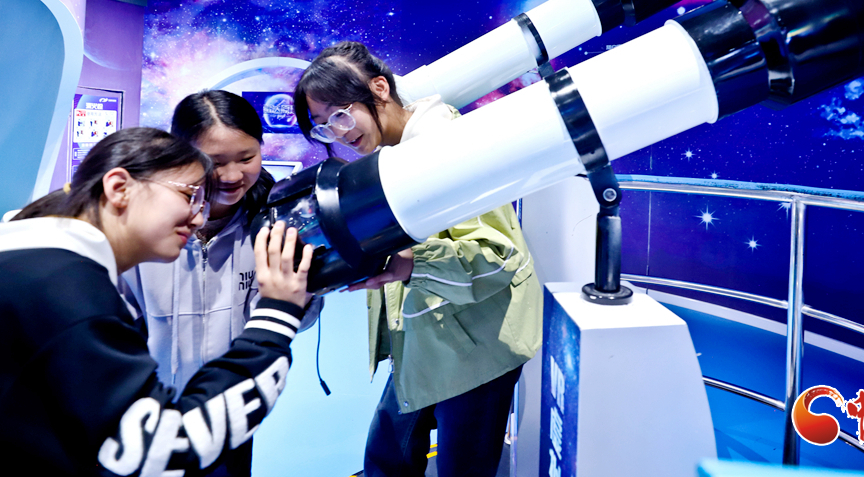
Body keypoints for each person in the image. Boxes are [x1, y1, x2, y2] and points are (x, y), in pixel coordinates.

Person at [0, 127, 312, 476]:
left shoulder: (31, 263)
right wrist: (276, 313)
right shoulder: (68, 289)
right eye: (190, 195)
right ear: (119, 188)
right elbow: (164, 449)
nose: (199, 217)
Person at [294, 41, 542, 477]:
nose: (339, 133)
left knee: (459, 469)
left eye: (341, 114)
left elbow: (497, 257)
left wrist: (411, 262)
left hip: (480, 348)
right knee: (386, 460)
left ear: (379, 88)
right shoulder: (389, 157)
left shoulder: (446, 147)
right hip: (424, 340)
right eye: (324, 126)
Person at [121, 90, 324, 476]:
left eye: (247, 158)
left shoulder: (273, 222)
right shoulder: (142, 226)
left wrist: (305, 291)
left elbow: (295, 320)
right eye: (215, 163)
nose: (232, 176)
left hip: (226, 416)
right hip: (145, 417)